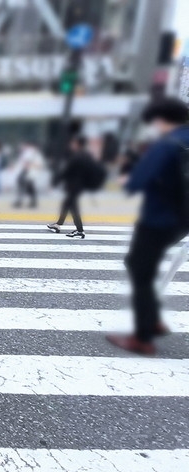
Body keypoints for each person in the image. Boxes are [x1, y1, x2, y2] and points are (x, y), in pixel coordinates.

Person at [106, 98, 189, 355]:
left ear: (160, 120)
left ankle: (143, 337)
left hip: (158, 218)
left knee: (138, 267)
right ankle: (152, 319)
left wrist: (126, 179)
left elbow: (136, 183)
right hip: (183, 220)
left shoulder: (166, 145)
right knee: (145, 266)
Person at [46, 135, 101, 239]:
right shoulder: (87, 155)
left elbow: (67, 171)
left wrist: (54, 183)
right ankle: (58, 225)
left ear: (77, 144)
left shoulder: (77, 156)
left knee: (73, 207)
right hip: (80, 185)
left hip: (73, 185)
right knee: (67, 204)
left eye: (73, 143)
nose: (72, 145)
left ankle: (80, 231)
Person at [12, 141, 44, 208]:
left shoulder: (36, 155)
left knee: (29, 187)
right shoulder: (28, 153)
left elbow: (39, 165)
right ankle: (26, 201)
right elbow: (25, 163)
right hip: (26, 172)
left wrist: (30, 165)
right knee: (26, 186)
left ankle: (25, 201)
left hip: (31, 173)